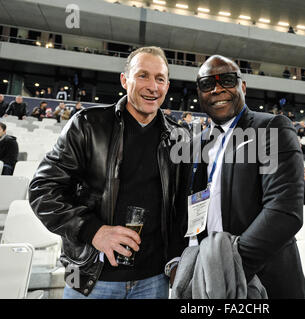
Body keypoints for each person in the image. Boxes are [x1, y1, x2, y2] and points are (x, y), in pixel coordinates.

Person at [28, 46, 190, 299]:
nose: (152, 86)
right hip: (88, 277)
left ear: (167, 86)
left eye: (160, 79)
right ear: (125, 80)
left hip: (154, 280)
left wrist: (177, 257)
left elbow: (183, 206)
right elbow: (43, 190)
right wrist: (93, 230)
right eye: (143, 75)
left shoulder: (180, 137)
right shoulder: (87, 125)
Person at [182, 55, 305, 298]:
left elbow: (284, 211)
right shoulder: (195, 145)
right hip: (208, 281)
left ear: (243, 86)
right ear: (199, 93)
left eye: (226, 80)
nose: (217, 89)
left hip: (263, 280)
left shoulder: (272, 128)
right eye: (207, 84)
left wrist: (230, 268)